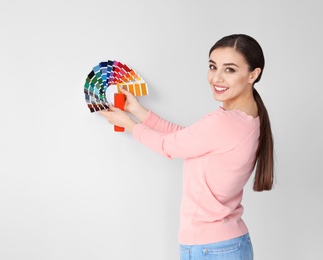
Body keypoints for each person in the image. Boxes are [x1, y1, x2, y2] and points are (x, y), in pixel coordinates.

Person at [99, 34, 274, 260]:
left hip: (212, 248)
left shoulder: (225, 122)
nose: (216, 78)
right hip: (227, 244)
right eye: (213, 67)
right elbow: (186, 138)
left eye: (229, 70)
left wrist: (129, 125)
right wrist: (138, 111)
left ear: (253, 74)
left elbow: (168, 146)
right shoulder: (247, 118)